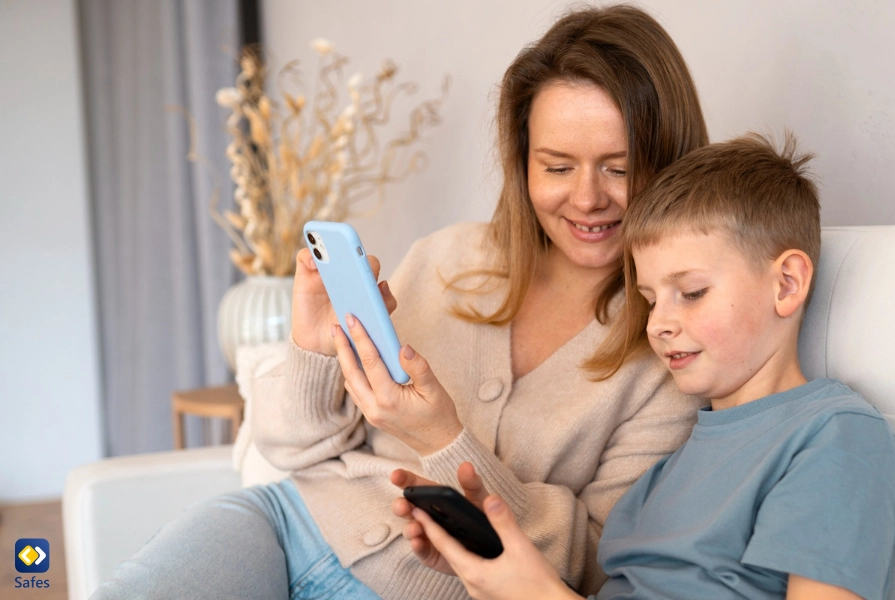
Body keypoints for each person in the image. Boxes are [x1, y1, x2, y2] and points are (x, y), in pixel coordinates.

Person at [92, 5, 708, 600]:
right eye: (557, 166)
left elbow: (596, 564)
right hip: (284, 527)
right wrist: (313, 352)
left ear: (669, 163)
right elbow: (291, 447)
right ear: (523, 163)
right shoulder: (448, 259)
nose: (587, 197)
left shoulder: (672, 351)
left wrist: (443, 436)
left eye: (620, 169)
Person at [394, 133, 895, 600]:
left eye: (691, 293)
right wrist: (493, 572)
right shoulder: (668, 467)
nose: (659, 324)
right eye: (649, 299)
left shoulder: (833, 438)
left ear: (787, 284)